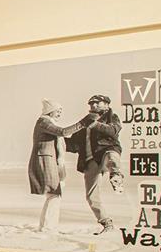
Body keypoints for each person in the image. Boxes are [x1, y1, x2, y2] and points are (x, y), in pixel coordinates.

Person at [28, 99, 91, 233]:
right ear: (50, 110)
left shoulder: (48, 123)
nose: (60, 113)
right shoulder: (44, 122)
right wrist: (83, 123)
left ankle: (47, 226)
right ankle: (48, 227)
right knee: (54, 194)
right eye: (58, 110)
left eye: (61, 111)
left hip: (53, 162)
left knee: (54, 195)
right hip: (45, 161)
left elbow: (63, 142)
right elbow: (63, 132)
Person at [65, 94, 124, 235]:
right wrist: (55, 140)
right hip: (90, 161)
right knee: (91, 196)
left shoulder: (112, 117)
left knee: (112, 156)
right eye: (91, 103)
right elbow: (73, 145)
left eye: (98, 103)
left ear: (107, 105)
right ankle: (106, 223)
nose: (94, 105)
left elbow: (113, 131)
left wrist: (95, 124)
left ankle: (116, 175)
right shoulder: (85, 122)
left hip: (105, 151)